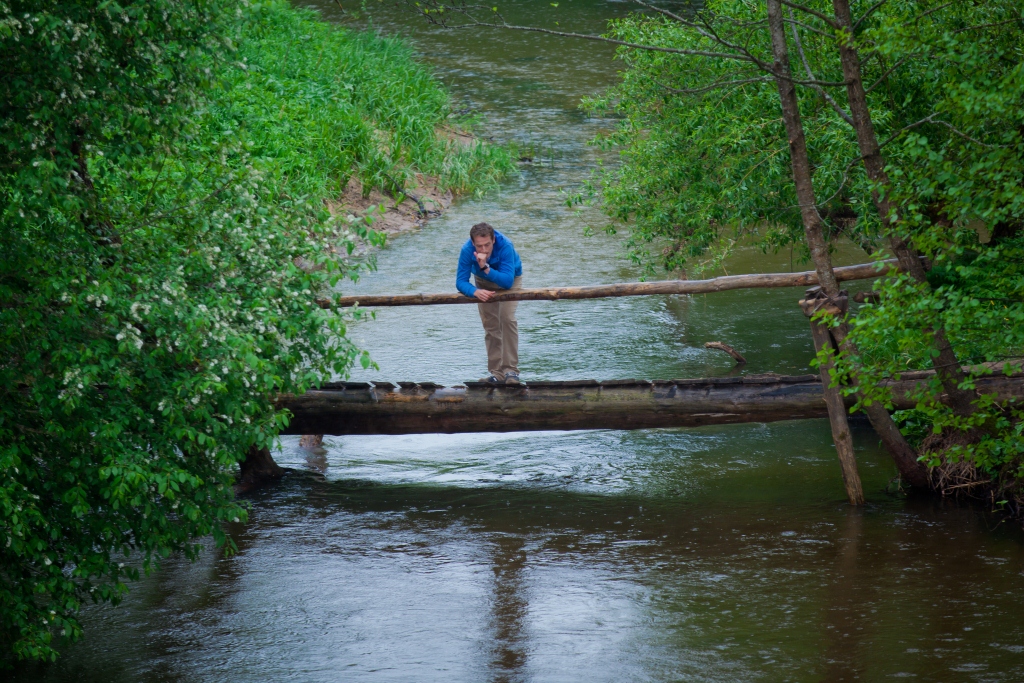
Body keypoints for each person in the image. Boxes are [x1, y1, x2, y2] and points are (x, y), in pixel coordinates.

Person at [456, 222, 523, 384]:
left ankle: (511, 371)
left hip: (510, 279)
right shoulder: (466, 250)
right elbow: (460, 281)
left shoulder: (505, 245)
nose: (484, 250)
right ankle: (497, 373)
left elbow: (507, 281)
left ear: (493, 240)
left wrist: (485, 266)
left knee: (506, 319)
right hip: (483, 282)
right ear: (473, 243)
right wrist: (474, 291)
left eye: (487, 245)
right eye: (479, 246)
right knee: (491, 325)